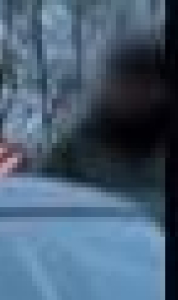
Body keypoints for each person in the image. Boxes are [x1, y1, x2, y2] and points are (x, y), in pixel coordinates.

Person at [45, 31, 168, 223]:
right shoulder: (75, 151)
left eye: (147, 84)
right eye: (127, 83)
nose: (136, 94)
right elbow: (45, 209)